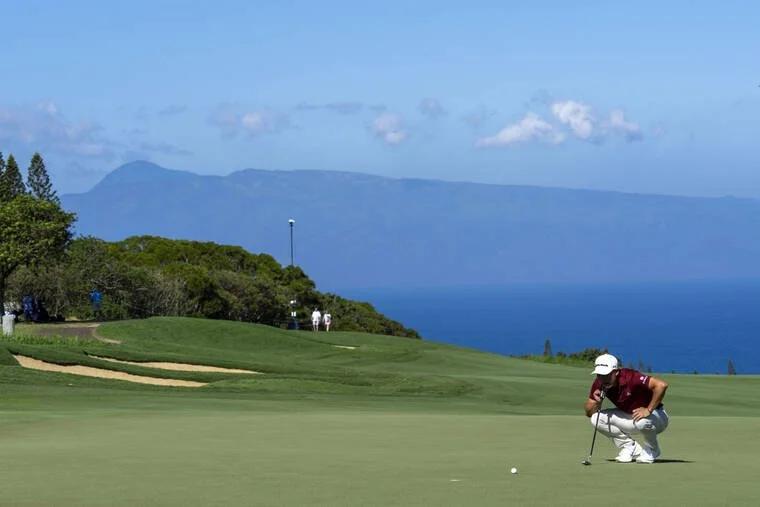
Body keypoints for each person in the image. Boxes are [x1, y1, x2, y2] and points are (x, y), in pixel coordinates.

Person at [584, 353, 670, 464]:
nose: (603, 378)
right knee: (596, 418)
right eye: (599, 375)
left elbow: (661, 385)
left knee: (642, 421)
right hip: (631, 417)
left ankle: (652, 450)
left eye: (606, 375)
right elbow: (588, 412)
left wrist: (648, 409)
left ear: (616, 372)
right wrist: (597, 402)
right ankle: (629, 447)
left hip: (657, 417)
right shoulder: (599, 383)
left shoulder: (631, 377)